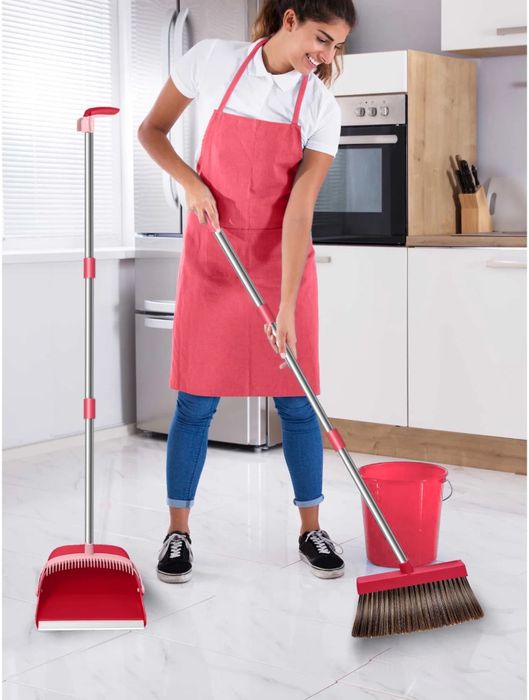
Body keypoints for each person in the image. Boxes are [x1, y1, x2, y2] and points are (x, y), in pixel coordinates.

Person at [138, 0, 356, 584]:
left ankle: (312, 529)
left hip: (280, 260)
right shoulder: (211, 61)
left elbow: (299, 209)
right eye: (321, 38)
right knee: (196, 402)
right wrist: (190, 183)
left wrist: (286, 303)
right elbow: (150, 130)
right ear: (289, 19)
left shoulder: (319, 105)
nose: (327, 55)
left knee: (298, 402)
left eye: (336, 45)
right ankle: (177, 533)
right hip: (215, 255)